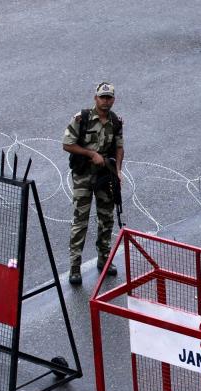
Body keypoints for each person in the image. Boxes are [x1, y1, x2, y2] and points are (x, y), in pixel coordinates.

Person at [62, 82, 124, 286]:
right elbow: (67, 144)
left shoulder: (115, 121)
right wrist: (91, 154)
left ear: (113, 99)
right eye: (102, 97)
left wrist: (118, 171)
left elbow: (119, 147)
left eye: (109, 98)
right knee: (80, 221)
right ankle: (74, 266)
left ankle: (104, 258)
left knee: (106, 218)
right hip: (83, 175)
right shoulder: (82, 119)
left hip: (105, 175)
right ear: (95, 98)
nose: (106, 101)